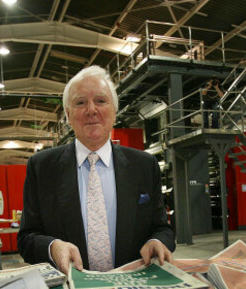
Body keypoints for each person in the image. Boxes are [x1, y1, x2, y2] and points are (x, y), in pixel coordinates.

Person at [18, 66, 175, 274]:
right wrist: (53, 247)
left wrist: (157, 241)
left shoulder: (144, 165)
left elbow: (162, 227)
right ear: (68, 114)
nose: (91, 110)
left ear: (114, 111)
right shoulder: (42, 168)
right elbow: (26, 238)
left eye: (100, 101)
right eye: (80, 102)